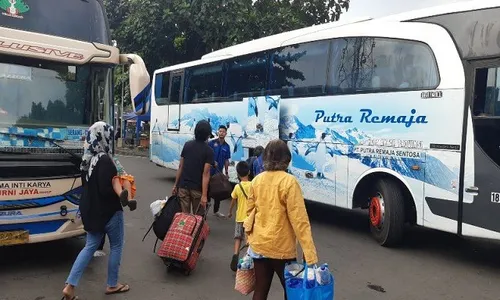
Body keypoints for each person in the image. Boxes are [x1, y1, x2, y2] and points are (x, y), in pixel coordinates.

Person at [62, 121, 130, 300]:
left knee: (89, 246)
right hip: (109, 212)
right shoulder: (105, 160)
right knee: (116, 245)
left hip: (91, 212)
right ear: (104, 136)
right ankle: (113, 284)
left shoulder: (86, 161)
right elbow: (106, 189)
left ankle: (70, 285)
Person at [244, 139, 318, 300]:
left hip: (259, 245)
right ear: (287, 158)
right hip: (281, 248)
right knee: (291, 291)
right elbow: (300, 221)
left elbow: (249, 212)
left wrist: (250, 237)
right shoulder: (289, 182)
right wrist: (309, 254)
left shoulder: (257, 180)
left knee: (261, 290)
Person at [172, 120, 214, 215]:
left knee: (184, 217)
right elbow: (205, 174)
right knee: (197, 218)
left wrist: (175, 185)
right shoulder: (209, 151)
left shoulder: (187, 145)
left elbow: (181, 166)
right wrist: (204, 195)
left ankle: (184, 230)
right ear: (207, 135)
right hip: (197, 190)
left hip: (183, 187)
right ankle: (195, 230)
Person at [227, 161, 251, 271]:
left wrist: (230, 211)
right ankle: (246, 260)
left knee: (238, 238)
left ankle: (235, 255)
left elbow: (233, 200)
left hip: (239, 218)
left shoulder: (237, 187)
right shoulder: (252, 185)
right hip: (249, 218)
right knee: (248, 240)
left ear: (237, 173)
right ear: (249, 172)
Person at [208, 125, 231, 217]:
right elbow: (207, 155)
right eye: (220, 131)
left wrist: (226, 173)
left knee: (218, 191)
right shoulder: (212, 143)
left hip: (218, 172)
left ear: (226, 133)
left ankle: (216, 211)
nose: (221, 133)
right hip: (209, 171)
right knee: (208, 190)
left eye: (223, 131)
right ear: (218, 132)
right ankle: (205, 209)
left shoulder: (227, 146)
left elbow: (226, 160)